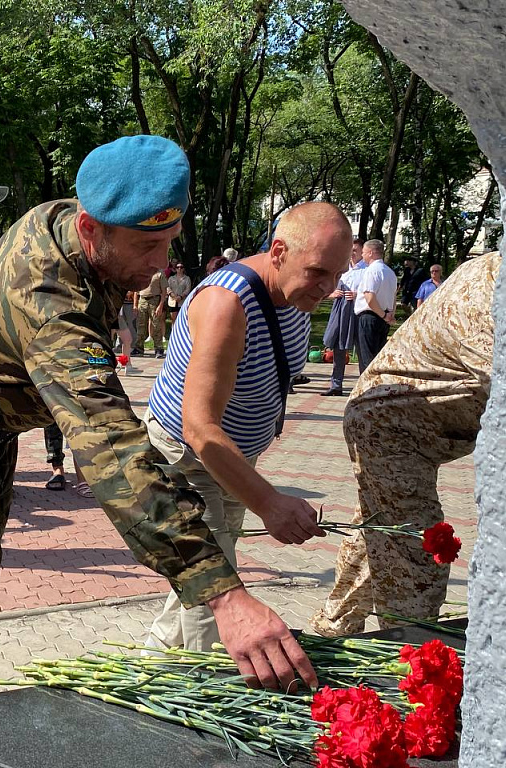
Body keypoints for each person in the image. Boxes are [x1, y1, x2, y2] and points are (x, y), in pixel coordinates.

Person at [0, 135, 320, 707]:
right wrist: (224, 595)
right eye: (146, 245)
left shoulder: (74, 221)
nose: (161, 263)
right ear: (92, 228)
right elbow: (113, 451)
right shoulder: (49, 300)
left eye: (169, 242)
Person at [143, 202, 351, 652]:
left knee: (202, 573)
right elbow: (199, 427)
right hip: (187, 454)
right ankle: (208, 695)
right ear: (278, 251)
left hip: (232, 457)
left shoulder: (295, 294)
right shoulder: (226, 304)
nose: (328, 287)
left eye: (337, 274)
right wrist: (269, 503)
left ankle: (149, 667)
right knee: (216, 587)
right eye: (318, 271)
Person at [311, 251, 499, 636]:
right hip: (391, 424)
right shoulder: (492, 284)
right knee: (416, 553)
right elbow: (505, 379)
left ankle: (331, 631)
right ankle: (407, 657)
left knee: (379, 530)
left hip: (420, 425)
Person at [321, 240, 368, 397]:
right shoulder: (341, 269)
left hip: (359, 311)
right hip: (341, 310)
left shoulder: (367, 270)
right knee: (338, 347)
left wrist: (357, 295)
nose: (352, 253)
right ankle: (336, 384)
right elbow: (325, 289)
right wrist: (332, 295)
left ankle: (365, 386)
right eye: (350, 250)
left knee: (361, 349)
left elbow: (373, 292)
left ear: (362, 251)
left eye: (355, 250)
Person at [353, 239, 398, 373]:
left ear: (371, 253)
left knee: (367, 359)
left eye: (364, 252)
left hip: (370, 317)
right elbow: (393, 297)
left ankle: (368, 390)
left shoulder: (372, 271)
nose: (362, 255)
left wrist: (383, 315)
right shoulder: (390, 272)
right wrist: (389, 315)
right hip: (383, 318)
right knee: (378, 357)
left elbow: (369, 296)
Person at [133, 268, 168, 358]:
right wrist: (135, 305)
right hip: (143, 299)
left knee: (156, 325)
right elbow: (136, 291)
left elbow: (164, 291)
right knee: (141, 325)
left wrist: (160, 305)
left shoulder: (159, 273)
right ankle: (139, 348)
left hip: (154, 299)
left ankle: (159, 348)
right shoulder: (142, 271)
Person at [166, 262, 192, 328]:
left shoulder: (187, 279)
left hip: (182, 301)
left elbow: (188, 289)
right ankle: (173, 333)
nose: (179, 269)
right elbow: (167, 287)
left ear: (183, 269)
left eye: (181, 267)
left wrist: (180, 297)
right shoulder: (171, 278)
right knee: (173, 319)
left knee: (182, 319)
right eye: (177, 267)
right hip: (173, 301)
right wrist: (174, 296)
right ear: (175, 269)